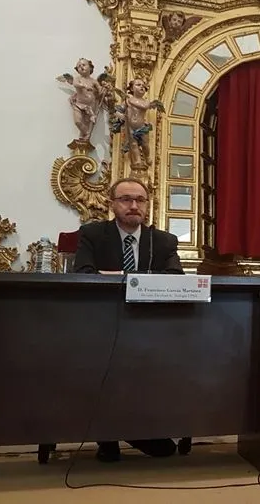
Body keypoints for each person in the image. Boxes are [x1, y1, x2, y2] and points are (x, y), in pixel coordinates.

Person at [73, 177, 184, 462]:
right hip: (101, 322)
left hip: (148, 325)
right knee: (100, 360)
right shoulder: (93, 234)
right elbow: (84, 274)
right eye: (125, 199)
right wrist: (132, 280)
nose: (133, 206)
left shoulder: (163, 241)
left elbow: (174, 279)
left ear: (147, 206)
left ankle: (140, 428)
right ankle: (107, 436)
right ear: (112, 204)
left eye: (140, 200)